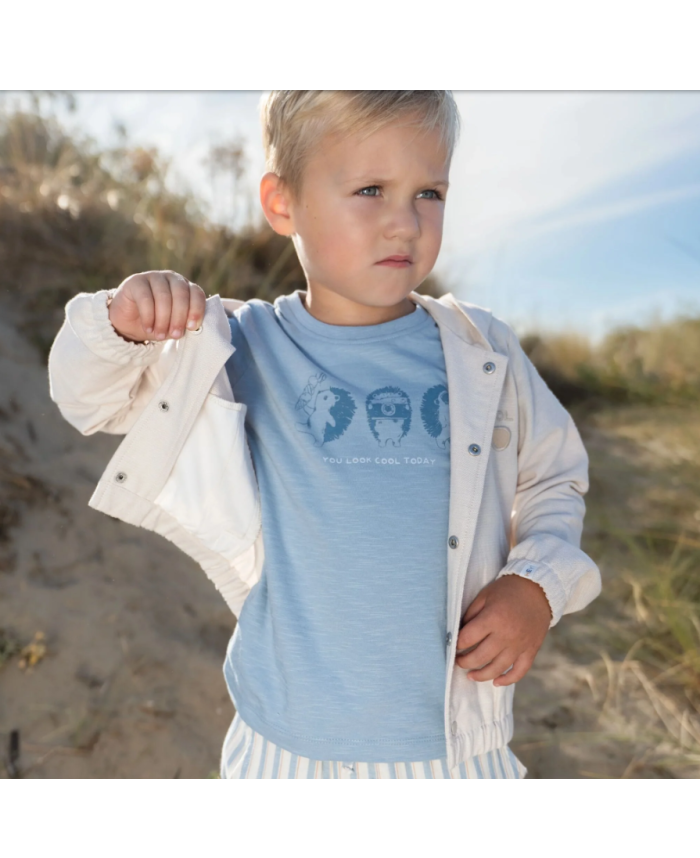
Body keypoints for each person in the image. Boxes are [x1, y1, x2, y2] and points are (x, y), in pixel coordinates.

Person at [48, 91, 601, 779]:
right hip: (282, 747)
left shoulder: (480, 347)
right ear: (283, 204)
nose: (405, 222)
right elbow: (87, 400)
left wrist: (537, 585)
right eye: (371, 190)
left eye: (429, 193)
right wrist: (120, 323)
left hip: (455, 750)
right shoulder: (234, 344)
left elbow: (554, 476)